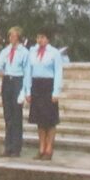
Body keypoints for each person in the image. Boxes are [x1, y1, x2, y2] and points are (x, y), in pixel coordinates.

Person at [25, 29, 63, 160]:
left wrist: (56, 91)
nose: (39, 40)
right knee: (39, 120)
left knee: (50, 119)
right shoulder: (32, 52)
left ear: (48, 39)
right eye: (38, 37)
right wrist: (27, 90)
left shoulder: (54, 53)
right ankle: (41, 147)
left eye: (42, 37)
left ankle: (49, 148)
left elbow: (58, 72)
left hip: (48, 85)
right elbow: (28, 71)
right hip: (36, 85)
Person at [0, 26, 30, 157]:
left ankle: (16, 147)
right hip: (7, 81)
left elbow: (27, 72)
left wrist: (25, 91)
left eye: (13, 36)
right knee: (8, 115)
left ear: (18, 37)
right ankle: (8, 147)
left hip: (17, 81)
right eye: (10, 36)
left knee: (16, 116)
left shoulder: (24, 52)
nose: (11, 38)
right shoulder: (6, 50)